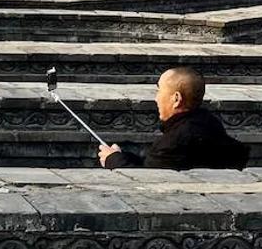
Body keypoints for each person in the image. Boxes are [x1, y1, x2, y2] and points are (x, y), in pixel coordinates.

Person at [98, 67, 249, 171]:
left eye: (159, 91)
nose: (156, 98)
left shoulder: (175, 141)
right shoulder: (209, 122)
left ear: (176, 99)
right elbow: (155, 164)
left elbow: (149, 178)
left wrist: (113, 161)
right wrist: (120, 156)